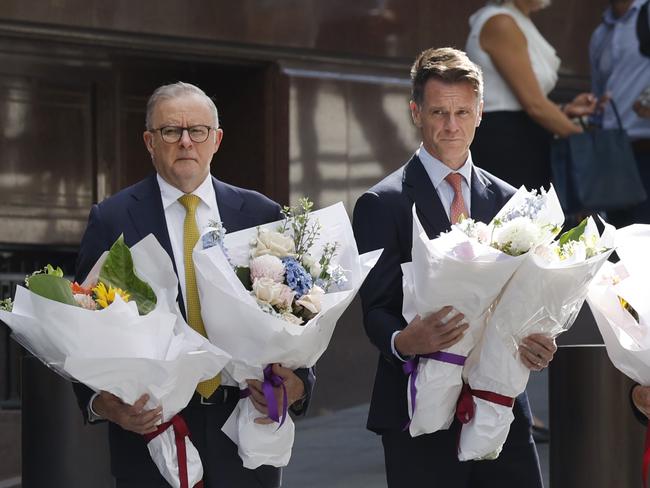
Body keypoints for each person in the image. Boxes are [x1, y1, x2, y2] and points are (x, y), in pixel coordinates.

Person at [72, 82, 312, 488]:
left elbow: (299, 311)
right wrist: (104, 405)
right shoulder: (112, 220)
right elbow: (81, 328)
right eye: (170, 131)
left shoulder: (261, 213)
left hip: (246, 427)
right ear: (149, 141)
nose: (185, 141)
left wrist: (301, 383)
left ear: (216, 140)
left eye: (197, 131)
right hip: (154, 434)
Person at [352, 47, 557, 487]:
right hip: (415, 411)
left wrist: (538, 340)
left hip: (500, 405)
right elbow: (375, 310)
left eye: (462, 111)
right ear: (415, 112)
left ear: (480, 112)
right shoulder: (381, 203)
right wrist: (404, 340)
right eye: (439, 112)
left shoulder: (511, 201)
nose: (451, 125)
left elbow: (524, 300)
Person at [465, 0, 597, 191]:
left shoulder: (517, 19)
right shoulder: (501, 22)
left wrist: (563, 111)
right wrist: (590, 144)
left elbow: (525, 101)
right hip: (506, 147)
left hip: (524, 141)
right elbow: (534, 106)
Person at [590, 0, 650, 227]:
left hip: (645, 151)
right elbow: (597, 95)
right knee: (614, 241)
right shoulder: (601, 33)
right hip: (611, 154)